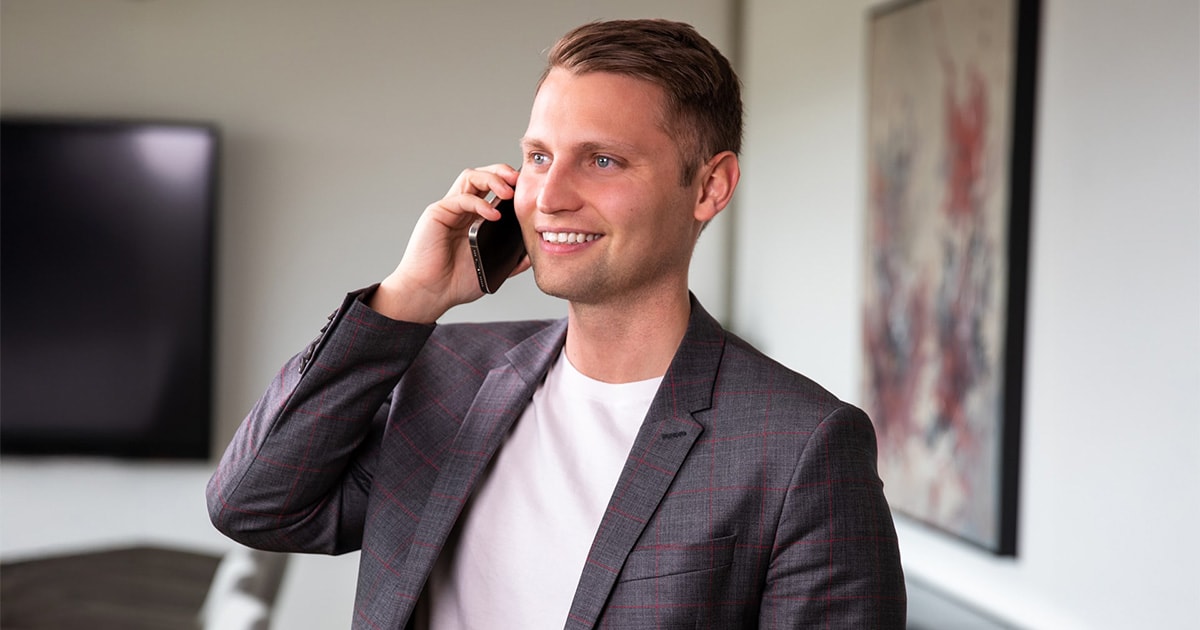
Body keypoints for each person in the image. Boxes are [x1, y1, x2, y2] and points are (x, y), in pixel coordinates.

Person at [207, 18, 906, 629]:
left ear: (709, 187)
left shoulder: (801, 447)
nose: (550, 197)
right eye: (540, 157)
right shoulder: (449, 377)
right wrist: (408, 296)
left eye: (602, 160)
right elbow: (254, 505)